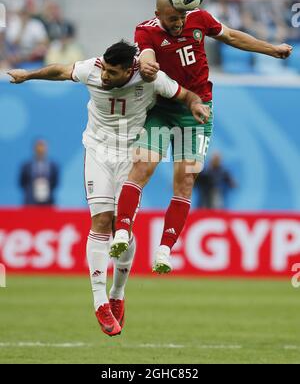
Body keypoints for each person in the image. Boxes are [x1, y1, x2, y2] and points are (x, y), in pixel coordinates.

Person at [8, 40, 210, 336]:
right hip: (98, 151)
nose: (104, 77)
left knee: (122, 227)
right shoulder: (93, 68)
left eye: (113, 73)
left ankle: (118, 292)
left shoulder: (151, 77)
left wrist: (195, 105)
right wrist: (28, 75)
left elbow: (184, 94)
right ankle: (100, 300)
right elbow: (60, 71)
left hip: (132, 154)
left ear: (130, 69)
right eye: (105, 71)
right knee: (101, 221)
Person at [112, 0, 293, 274]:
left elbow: (232, 37)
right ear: (158, 15)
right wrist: (147, 65)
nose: (179, 22)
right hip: (162, 110)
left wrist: (271, 49)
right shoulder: (145, 31)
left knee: (185, 181)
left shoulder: (200, 18)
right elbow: (146, 55)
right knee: (142, 167)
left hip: (198, 113)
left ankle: (164, 250)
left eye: (182, 16)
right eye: (172, 18)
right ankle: (122, 231)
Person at [19, 139, 59, 205]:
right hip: (30, 203)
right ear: (34, 149)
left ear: (46, 149)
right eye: (38, 147)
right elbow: (22, 183)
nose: (40, 149)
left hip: (48, 203)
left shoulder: (53, 167)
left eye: (42, 147)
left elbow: (55, 183)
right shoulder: (26, 166)